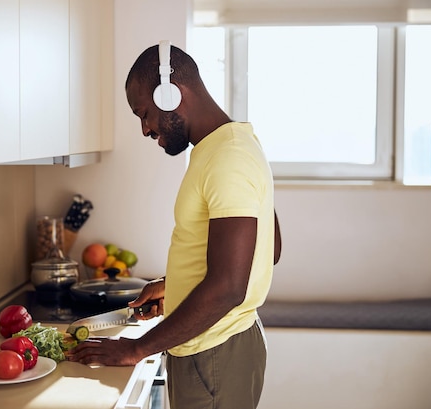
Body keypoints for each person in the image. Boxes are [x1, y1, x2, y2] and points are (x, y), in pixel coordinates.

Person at [66, 41, 281, 409]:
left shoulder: (228, 159)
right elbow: (267, 248)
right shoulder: (229, 146)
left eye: (143, 113)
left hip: (213, 352)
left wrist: (137, 348)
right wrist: (176, 287)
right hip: (216, 347)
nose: (145, 128)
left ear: (170, 94)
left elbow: (229, 287)